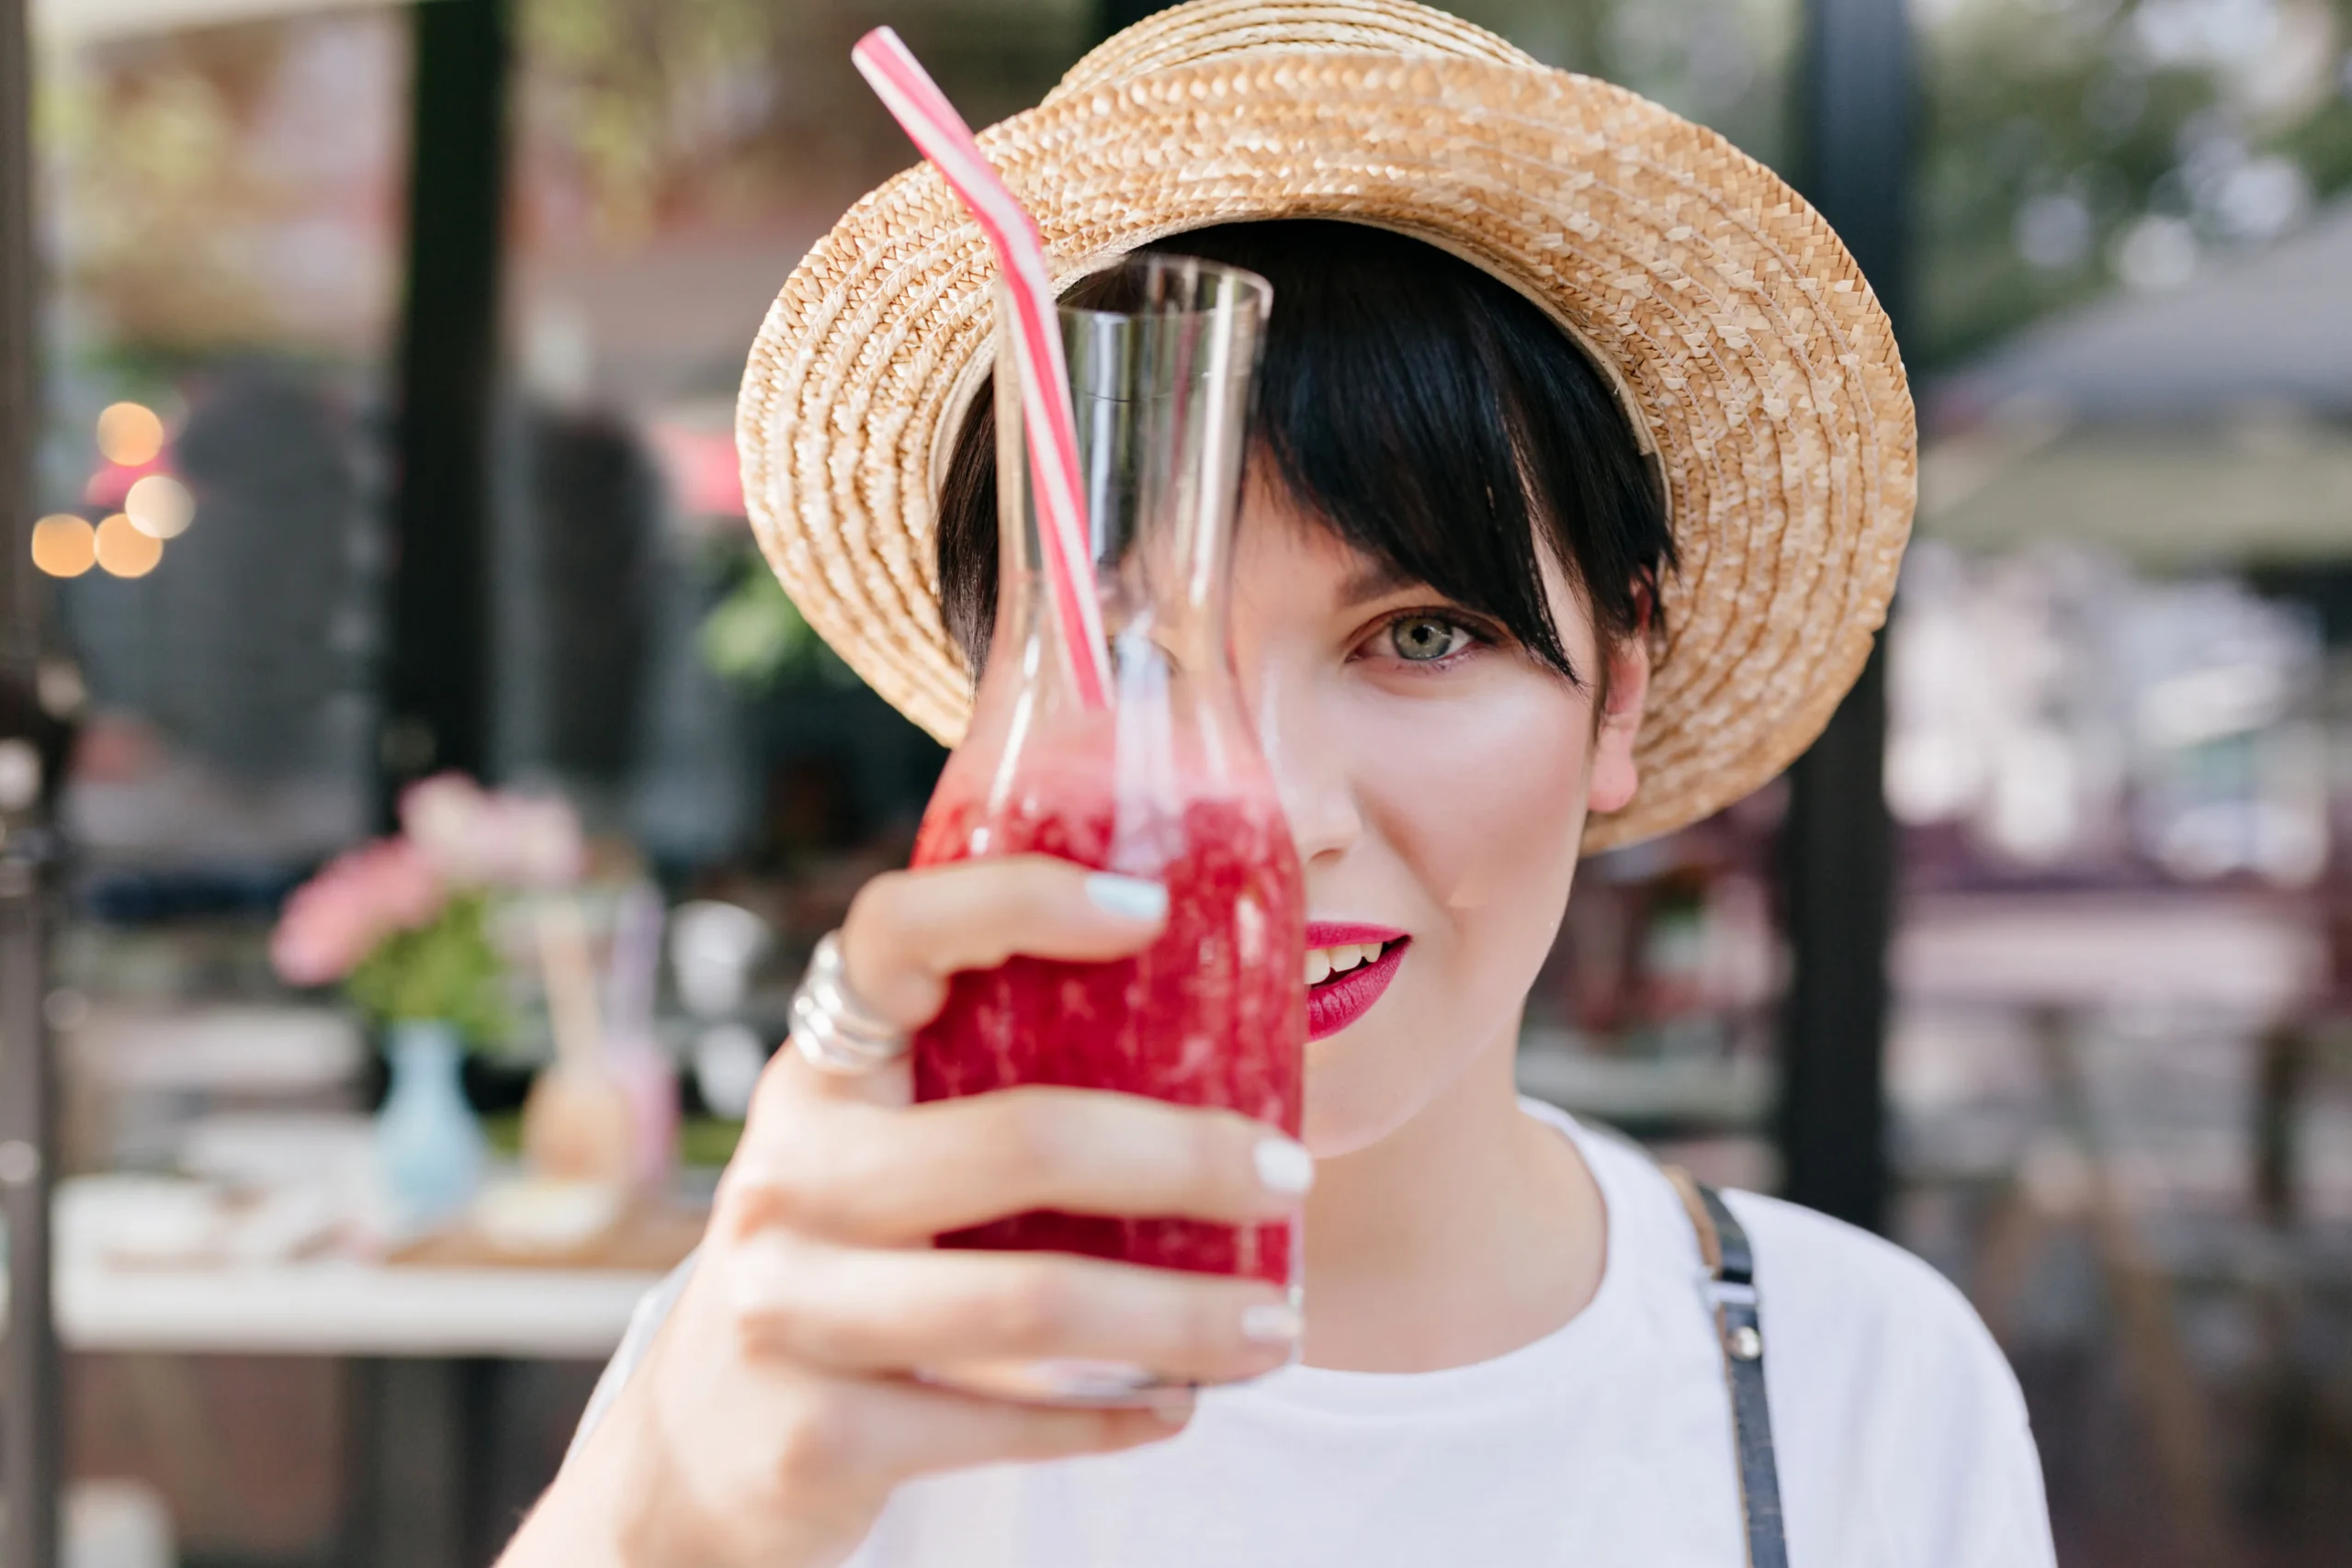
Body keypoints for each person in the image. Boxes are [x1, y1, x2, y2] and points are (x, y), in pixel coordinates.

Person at [499, 4, 2056, 1564]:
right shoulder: (800, 1390)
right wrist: (655, 1521)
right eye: (1138, 662)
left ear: (1621, 682)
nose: (1277, 817)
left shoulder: (1865, 1392)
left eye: (1423, 632)